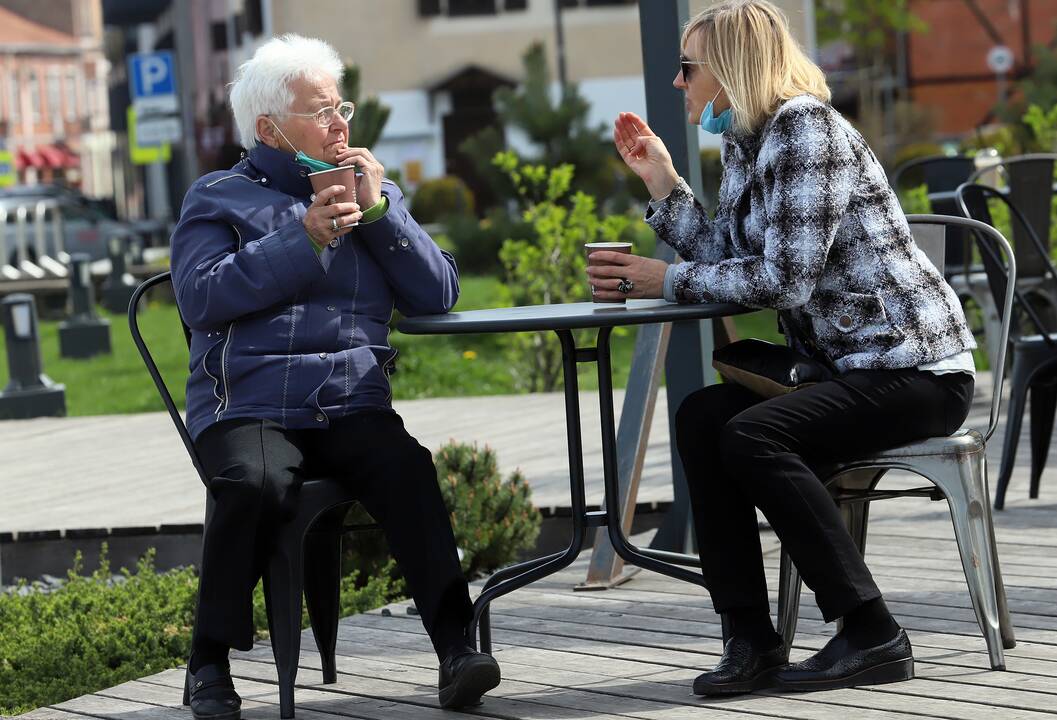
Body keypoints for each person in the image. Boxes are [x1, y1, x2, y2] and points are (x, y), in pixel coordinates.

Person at [587, 0, 976, 697]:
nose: (679, 83)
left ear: (732, 66)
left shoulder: (805, 132)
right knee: (703, 418)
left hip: (913, 368)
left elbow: (784, 278)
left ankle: (870, 630)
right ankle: (749, 639)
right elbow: (732, 261)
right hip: (848, 369)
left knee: (753, 435)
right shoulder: (746, 137)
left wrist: (664, 278)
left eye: (688, 67)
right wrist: (663, 183)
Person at [169, 34, 500, 719]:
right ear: (268, 129)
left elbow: (437, 295)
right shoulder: (216, 198)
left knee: (408, 469)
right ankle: (209, 661)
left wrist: (380, 213)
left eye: (340, 106)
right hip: (249, 405)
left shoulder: (375, 191)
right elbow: (199, 296)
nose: (339, 123)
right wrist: (305, 236)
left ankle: (456, 651)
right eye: (319, 111)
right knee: (254, 484)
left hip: (351, 403)